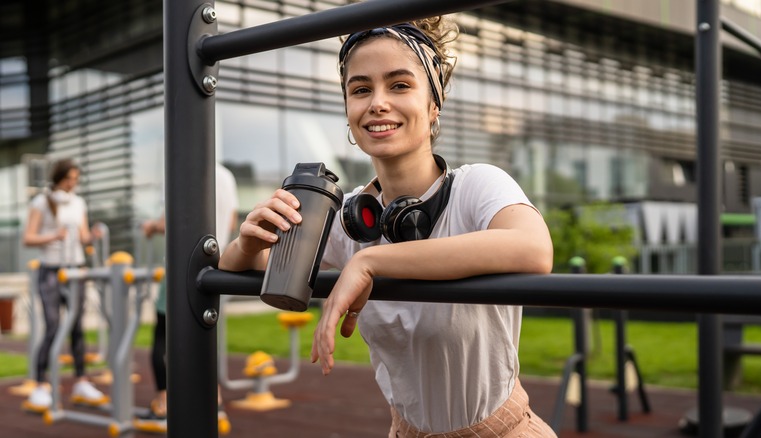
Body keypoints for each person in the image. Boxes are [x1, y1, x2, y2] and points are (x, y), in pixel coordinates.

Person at [219, 17, 557, 437]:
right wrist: (248, 241)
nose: (377, 103)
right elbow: (255, 267)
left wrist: (371, 263)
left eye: (399, 85)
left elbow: (533, 249)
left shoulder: (477, 185)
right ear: (348, 111)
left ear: (434, 105)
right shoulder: (350, 216)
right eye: (361, 90)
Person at [139, 162, 239, 420]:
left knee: (163, 331)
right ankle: (213, 397)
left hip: (183, 263)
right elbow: (231, 218)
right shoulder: (226, 176)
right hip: (218, 262)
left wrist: (151, 226)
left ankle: (163, 400)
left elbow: (171, 220)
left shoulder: (181, 170)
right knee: (205, 329)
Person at [23, 158, 108, 409]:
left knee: (77, 328)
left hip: (76, 270)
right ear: (59, 178)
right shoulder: (41, 202)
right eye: (69, 178)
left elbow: (82, 237)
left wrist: (92, 235)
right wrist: (54, 236)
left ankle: (81, 381)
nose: (73, 183)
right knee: (53, 326)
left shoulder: (78, 202)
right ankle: (40, 384)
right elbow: (28, 238)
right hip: (51, 270)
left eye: (76, 179)